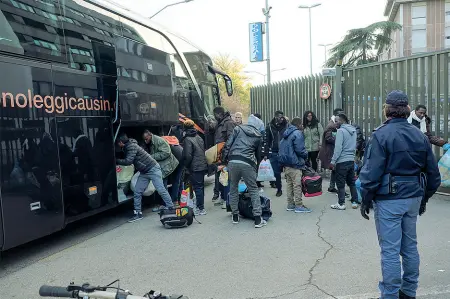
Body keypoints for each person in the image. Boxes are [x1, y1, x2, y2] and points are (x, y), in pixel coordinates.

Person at [359, 91, 441, 299]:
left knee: (390, 250)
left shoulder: (380, 135)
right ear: (407, 110)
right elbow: (433, 174)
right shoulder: (419, 135)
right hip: (413, 196)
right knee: (410, 247)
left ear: (387, 109)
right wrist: (424, 199)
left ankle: (390, 294)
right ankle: (409, 291)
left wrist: (365, 199)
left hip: (389, 199)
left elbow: (371, 173)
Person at [116, 133, 174, 223]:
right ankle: (138, 213)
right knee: (137, 191)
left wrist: (116, 160)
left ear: (121, 142)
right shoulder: (128, 146)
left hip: (153, 169)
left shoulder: (131, 147)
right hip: (144, 171)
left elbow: (128, 161)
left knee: (160, 189)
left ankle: (171, 207)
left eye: (118, 143)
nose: (117, 145)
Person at [222, 114, 266, 228]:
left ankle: (235, 216)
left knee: (233, 188)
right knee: (253, 189)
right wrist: (255, 169)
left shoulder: (238, 129)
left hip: (233, 161)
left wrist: (224, 160)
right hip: (248, 163)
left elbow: (228, 144)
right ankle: (257, 219)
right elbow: (258, 155)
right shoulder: (258, 136)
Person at [279, 117, 311, 213]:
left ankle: (290, 204)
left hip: (286, 164)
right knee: (297, 185)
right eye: (301, 124)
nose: (302, 126)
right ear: (298, 124)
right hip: (295, 164)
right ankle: (299, 205)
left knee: (289, 184)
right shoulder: (297, 133)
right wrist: (306, 155)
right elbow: (300, 150)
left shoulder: (286, 133)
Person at [329, 113, 359, 210]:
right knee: (352, 182)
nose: (335, 123)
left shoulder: (341, 131)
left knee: (340, 183)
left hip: (342, 161)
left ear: (342, 121)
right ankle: (355, 201)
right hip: (351, 160)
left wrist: (333, 161)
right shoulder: (353, 131)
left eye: (336, 121)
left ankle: (341, 203)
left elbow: (338, 148)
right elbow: (355, 147)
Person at [182, 120, 208, 216]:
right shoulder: (199, 137)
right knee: (200, 187)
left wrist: (186, 165)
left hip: (194, 166)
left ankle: (200, 208)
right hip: (202, 165)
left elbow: (188, 155)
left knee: (197, 187)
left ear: (185, 128)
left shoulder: (187, 139)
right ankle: (200, 207)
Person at [212, 106, 236, 208]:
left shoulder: (229, 123)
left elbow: (231, 139)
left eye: (215, 115)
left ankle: (227, 200)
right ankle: (222, 197)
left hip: (226, 155)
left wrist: (226, 154)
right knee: (220, 177)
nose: (214, 117)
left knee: (226, 178)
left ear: (219, 114)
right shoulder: (221, 122)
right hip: (219, 154)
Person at [263, 110, 288, 197]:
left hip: (285, 151)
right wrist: (265, 153)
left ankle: (291, 189)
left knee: (288, 171)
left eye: (282, 117)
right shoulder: (270, 126)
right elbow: (266, 140)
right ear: (275, 117)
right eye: (279, 117)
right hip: (274, 151)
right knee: (276, 172)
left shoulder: (286, 125)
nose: (281, 119)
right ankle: (279, 189)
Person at [319, 108, 343, 193]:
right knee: (336, 169)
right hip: (330, 151)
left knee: (334, 169)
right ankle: (336, 188)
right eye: (340, 114)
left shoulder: (334, 124)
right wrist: (339, 139)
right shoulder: (331, 126)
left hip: (331, 151)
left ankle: (332, 186)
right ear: (336, 115)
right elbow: (328, 138)